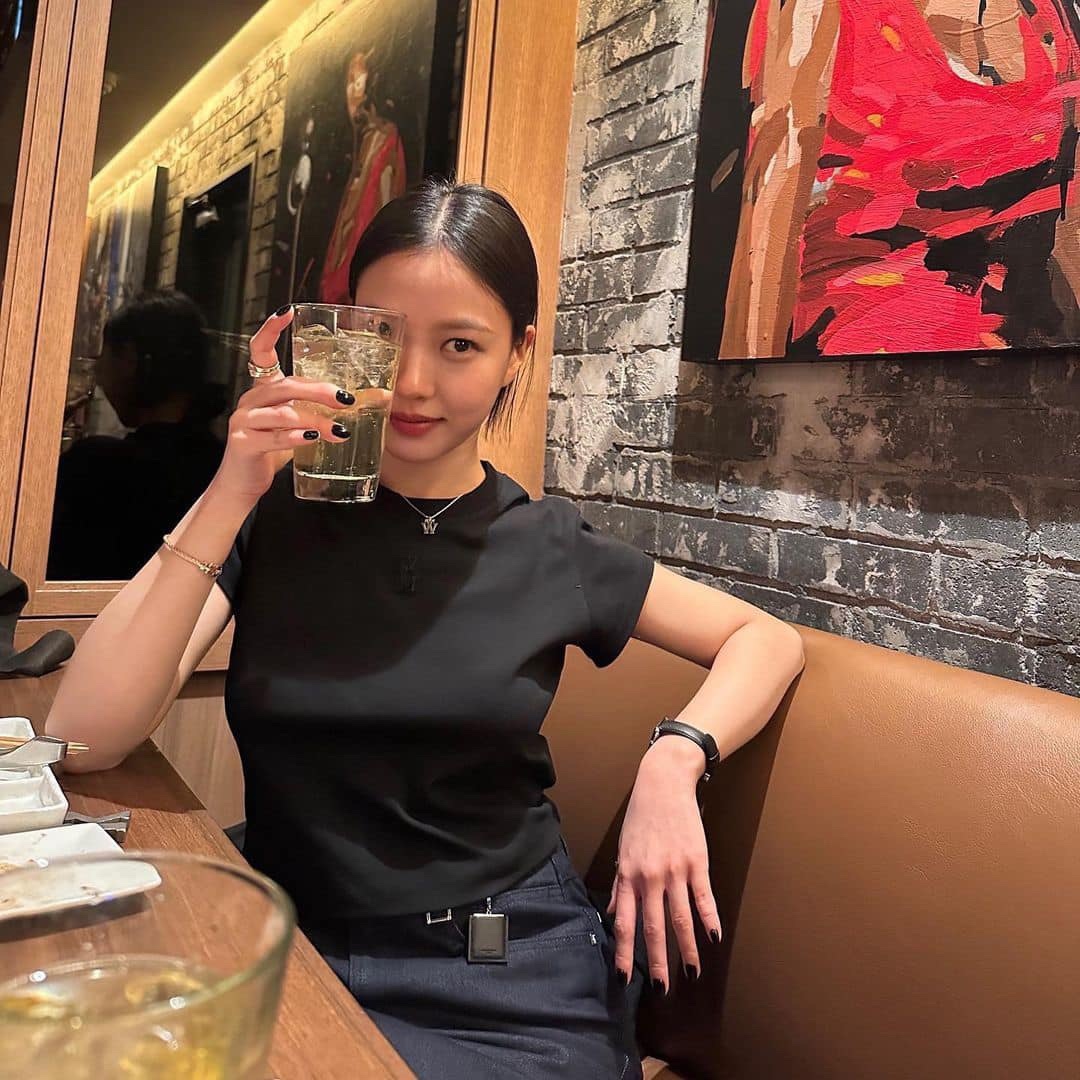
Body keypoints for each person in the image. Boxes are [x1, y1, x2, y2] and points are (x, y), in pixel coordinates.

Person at [47, 180, 805, 1079]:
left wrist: (675, 759)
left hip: (502, 966)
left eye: (459, 345)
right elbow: (84, 738)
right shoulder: (273, 519)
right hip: (290, 939)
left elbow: (765, 639)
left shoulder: (547, 544)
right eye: (385, 337)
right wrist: (232, 488)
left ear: (518, 354)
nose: (411, 383)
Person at [720, 0, 1080, 358]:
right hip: (873, 331)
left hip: (1024, 334)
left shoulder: (1055, 17)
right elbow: (766, 217)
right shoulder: (824, 11)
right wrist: (747, 369)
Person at [47, 290, 226, 580]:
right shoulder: (223, 465)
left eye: (103, 356)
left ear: (129, 360)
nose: (98, 372)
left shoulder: (95, 466)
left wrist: (44, 427)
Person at [320, 50, 407, 304]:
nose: (355, 92)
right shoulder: (350, 146)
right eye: (351, 81)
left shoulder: (384, 138)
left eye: (359, 81)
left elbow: (384, 206)